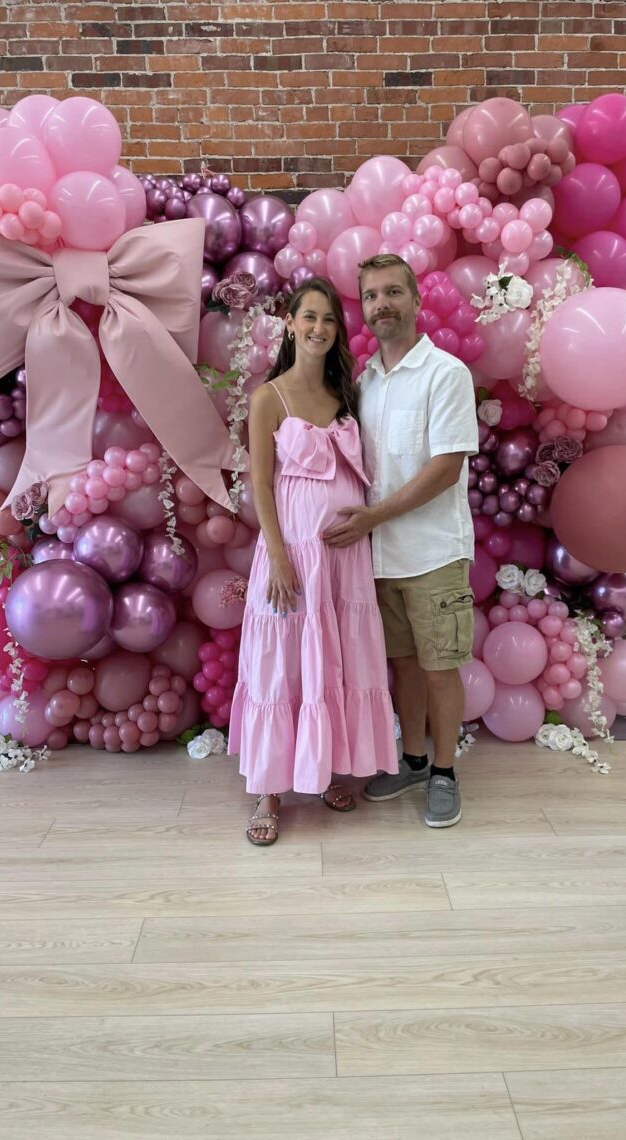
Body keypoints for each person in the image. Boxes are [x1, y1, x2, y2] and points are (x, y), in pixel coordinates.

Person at [228, 277, 398, 846]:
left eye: (329, 320)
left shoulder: (346, 395)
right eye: (310, 318)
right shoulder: (268, 398)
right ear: (290, 324)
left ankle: (324, 770)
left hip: (344, 556)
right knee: (283, 660)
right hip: (292, 551)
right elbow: (260, 484)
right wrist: (276, 554)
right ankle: (269, 790)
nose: (319, 329)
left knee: (337, 660)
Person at [323, 254, 478, 828]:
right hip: (380, 559)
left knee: (440, 667)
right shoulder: (364, 383)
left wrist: (371, 517)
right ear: (362, 309)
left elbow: (445, 468)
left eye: (393, 292)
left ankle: (444, 772)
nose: (382, 303)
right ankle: (412, 759)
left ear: (416, 302)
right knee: (405, 668)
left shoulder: (446, 374)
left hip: (434, 552)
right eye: (371, 296)